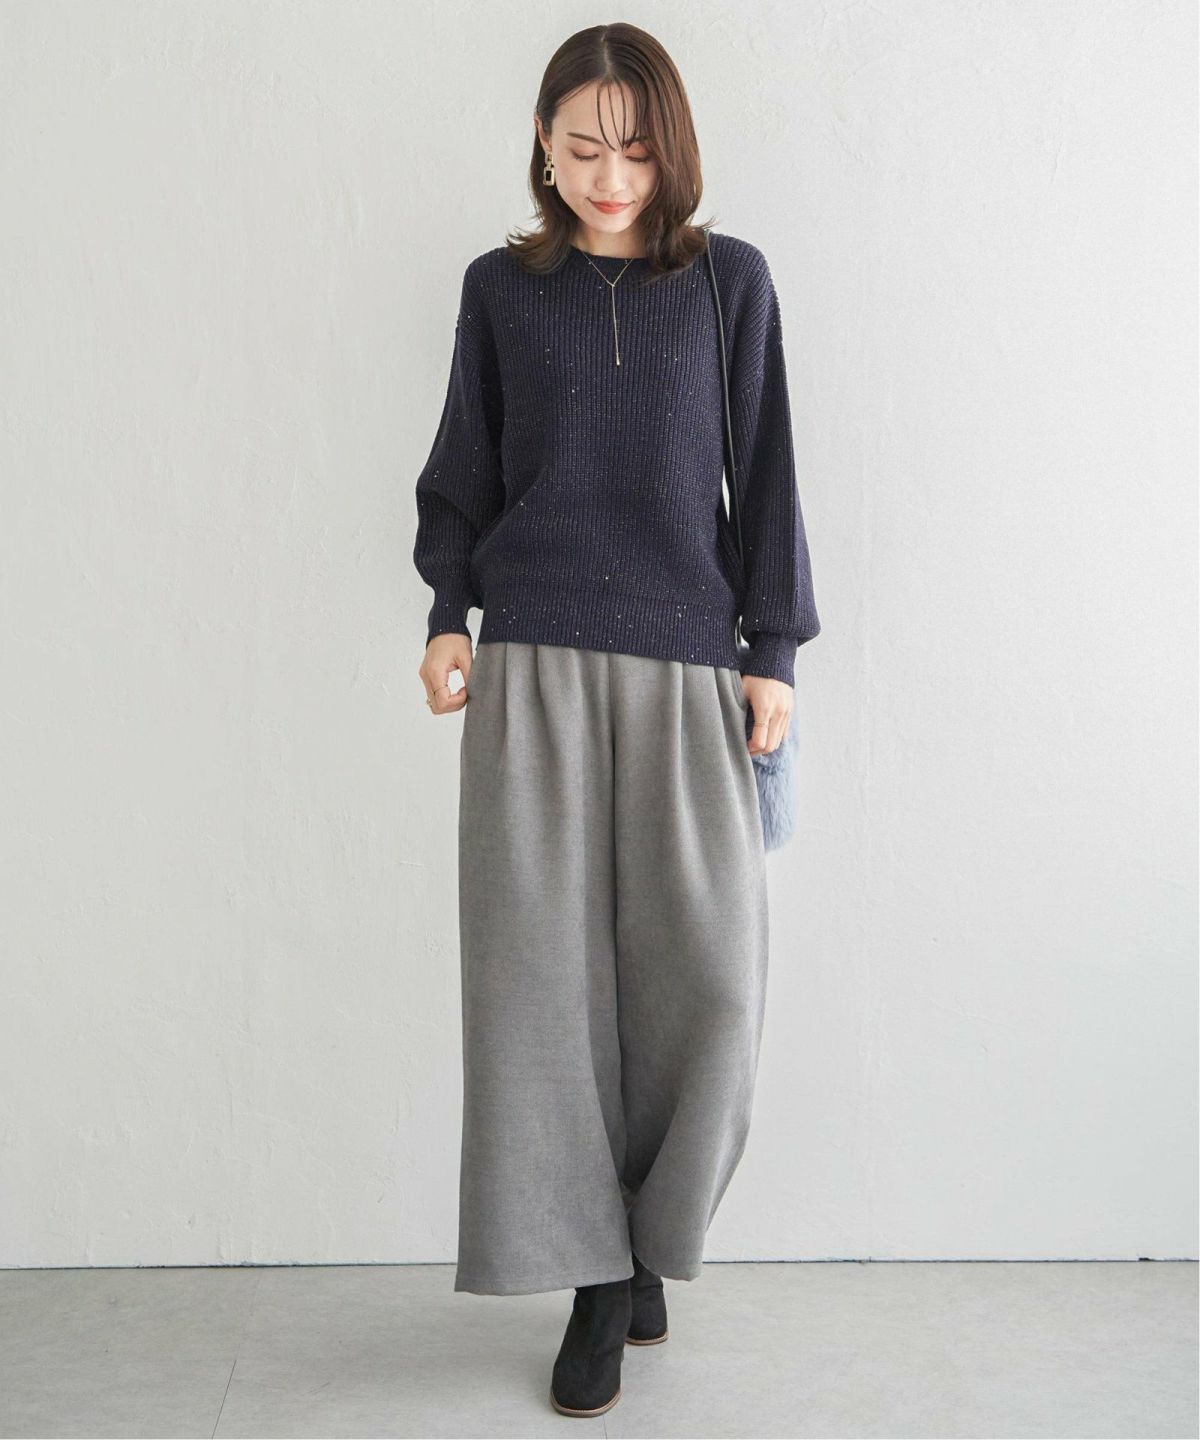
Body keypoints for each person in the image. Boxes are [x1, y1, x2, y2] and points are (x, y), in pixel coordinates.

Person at [412, 22, 820, 1419]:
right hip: (529, 659)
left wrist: (774, 650)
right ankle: (593, 1276)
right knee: (538, 985)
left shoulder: (727, 283)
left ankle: (652, 1233)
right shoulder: (500, 291)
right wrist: (446, 616)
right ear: (544, 143)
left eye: (635, 147)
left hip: (690, 663)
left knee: (708, 976)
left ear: (671, 148)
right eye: (583, 146)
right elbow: (464, 465)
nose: (610, 174)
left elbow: (766, 471)